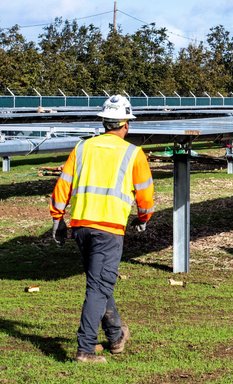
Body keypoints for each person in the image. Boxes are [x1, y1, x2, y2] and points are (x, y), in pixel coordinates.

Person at [49, 95, 155, 363]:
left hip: (82, 226)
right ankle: (85, 349)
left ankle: (116, 336)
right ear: (126, 125)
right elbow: (145, 195)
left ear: (104, 122)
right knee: (97, 287)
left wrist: (57, 218)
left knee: (99, 284)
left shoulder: (82, 148)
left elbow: (64, 184)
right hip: (109, 229)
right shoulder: (133, 153)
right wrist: (143, 218)